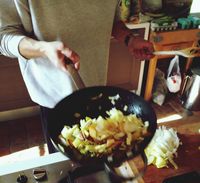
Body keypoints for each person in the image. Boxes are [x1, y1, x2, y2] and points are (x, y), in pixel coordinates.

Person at [0, 1, 154, 153]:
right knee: (67, 166)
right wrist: (43, 49)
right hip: (54, 92)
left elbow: (109, 19)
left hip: (97, 86)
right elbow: (4, 37)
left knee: (103, 151)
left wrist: (130, 39)